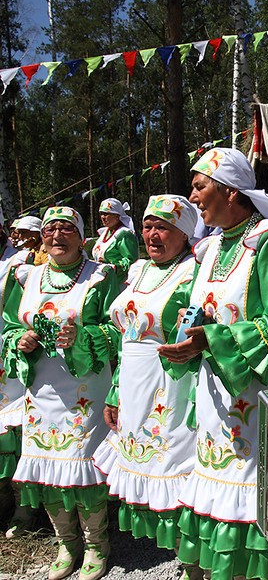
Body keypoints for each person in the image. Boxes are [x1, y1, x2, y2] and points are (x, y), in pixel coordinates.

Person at [158, 147, 268, 580]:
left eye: (199, 186)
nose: (193, 195)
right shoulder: (209, 249)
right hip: (214, 393)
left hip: (257, 390)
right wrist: (188, 339)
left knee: (252, 486)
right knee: (216, 477)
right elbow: (195, 311)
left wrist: (214, 338)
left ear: (228, 190)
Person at [1, 206, 121, 580]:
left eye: (66, 229)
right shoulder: (26, 277)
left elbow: (119, 332)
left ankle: (97, 548)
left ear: (80, 236)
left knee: (82, 468)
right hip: (42, 391)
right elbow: (6, 325)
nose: (56, 235)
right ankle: (67, 545)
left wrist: (82, 337)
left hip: (86, 390)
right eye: (50, 229)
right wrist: (17, 340)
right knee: (48, 468)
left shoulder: (101, 277)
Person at [92, 196, 197, 561]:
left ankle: (190, 556)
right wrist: (115, 390)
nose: (153, 235)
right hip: (133, 380)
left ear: (184, 233)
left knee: (174, 464)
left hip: (171, 382)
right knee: (142, 460)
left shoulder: (193, 271)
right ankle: (174, 550)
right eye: (148, 226)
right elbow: (125, 337)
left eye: (163, 227)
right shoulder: (137, 270)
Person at [0, 212, 34, 536]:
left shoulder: (18, 265)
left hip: (9, 360)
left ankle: (24, 507)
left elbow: (20, 316)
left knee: (15, 429)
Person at [91, 198, 138, 284]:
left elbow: (131, 261)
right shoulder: (104, 233)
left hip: (118, 283)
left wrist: (113, 268)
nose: (102, 217)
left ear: (117, 216)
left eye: (106, 214)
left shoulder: (124, 234)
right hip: (102, 281)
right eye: (101, 214)